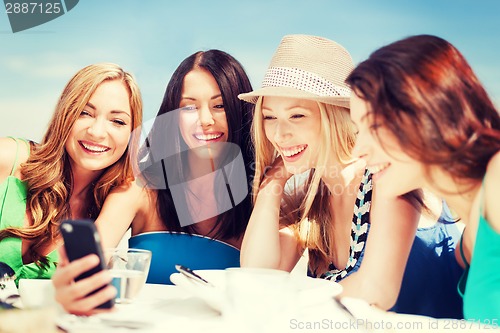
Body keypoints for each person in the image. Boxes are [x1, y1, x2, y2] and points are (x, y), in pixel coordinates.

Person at [52, 50, 255, 314]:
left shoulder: (260, 201)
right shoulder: (141, 189)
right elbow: (86, 266)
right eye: (189, 107)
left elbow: (268, 292)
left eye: (220, 105)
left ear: (240, 111)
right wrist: (73, 283)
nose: (206, 120)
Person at [238, 34, 422, 310]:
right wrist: (271, 184)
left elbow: (377, 293)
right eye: (270, 117)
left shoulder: (387, 178)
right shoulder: (309, 199)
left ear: (335, 116)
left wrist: (293, 301)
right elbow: (258, 276)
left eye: (297, 115)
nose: (279, 133)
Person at [346, 34, 500, 322]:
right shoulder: (467, 248)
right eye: (358, 130)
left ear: (431, 112)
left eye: (375, 125)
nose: (359, 150)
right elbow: (370, 287)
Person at [0, 63, 143, 284]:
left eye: (117, 121)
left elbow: (81, 283)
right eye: (84, 113)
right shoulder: (9, 158)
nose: (96, 132)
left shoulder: (119, 199)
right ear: (65, 116)